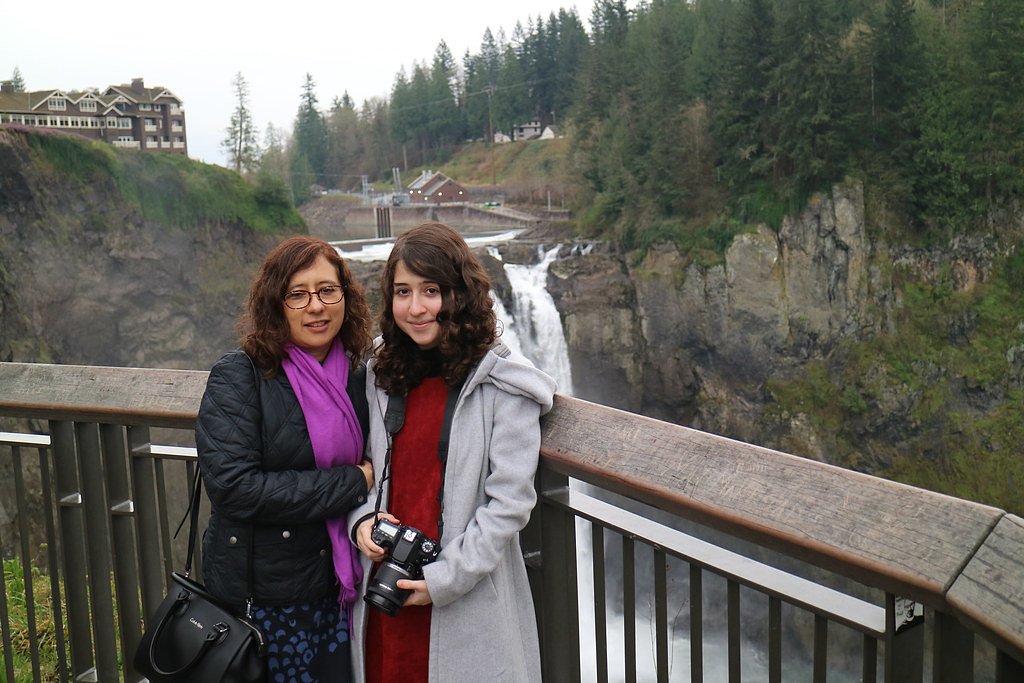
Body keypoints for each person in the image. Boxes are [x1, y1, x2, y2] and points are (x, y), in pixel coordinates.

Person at [348, 222, 557, 683]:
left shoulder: (504, 386)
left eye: (431, 290)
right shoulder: (380, 373)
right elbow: (362, 469)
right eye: (402, 292)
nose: (416, 308)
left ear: (459, 294)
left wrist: (444, 581)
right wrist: (361, 521)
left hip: (466, 601)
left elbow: (509, 504)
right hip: (387, 594)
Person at [196, 235, 375, 683]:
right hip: (263, 604)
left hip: (335, 591)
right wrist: (353, 481)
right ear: (276, 303)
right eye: (298, 294)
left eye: (327, 290)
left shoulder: (358, 376)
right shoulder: (240, 375)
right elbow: (236, 489)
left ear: (345, 298)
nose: (316, 306)